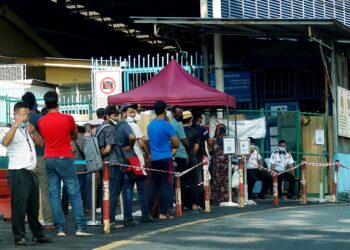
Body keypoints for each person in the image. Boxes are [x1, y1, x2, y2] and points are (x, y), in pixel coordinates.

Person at [38, 91, 92, 237]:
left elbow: (44, 137)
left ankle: (61, 228)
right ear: (58, 102)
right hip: (65, 158)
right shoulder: (68, 118)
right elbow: (74, 135)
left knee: (54, 194)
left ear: (45, 103)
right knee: (74, 193)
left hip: (49, 158)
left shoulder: (41, 121)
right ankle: (80, 227)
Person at [1, 102, 51, 246]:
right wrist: (15, 125)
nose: (26, 116)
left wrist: (33, 131)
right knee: (19, 207)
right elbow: (5, 142)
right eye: (23, 114)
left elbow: (41, 144)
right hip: (17, 172)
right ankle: (19, 237)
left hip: (30, 171)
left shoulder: (27, 128)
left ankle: (38, 234)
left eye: (27, 114)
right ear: (15, 115)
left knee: (33, 207)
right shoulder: (7, 129)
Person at [21, 92, 54, 230]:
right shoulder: (40, 118)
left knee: (26, 190)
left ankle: (26, 216)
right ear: (35, 103)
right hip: (40, 156)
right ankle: (48, 221)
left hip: (25, 158)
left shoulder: (21, 120)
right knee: (44, 190)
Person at [123, 103, 155, 223]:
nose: (135, 114)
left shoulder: (121, 126)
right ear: (125, 113)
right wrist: (148, 154)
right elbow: (141, 143)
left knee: (128, 190)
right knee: (141, 189)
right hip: (137, 161)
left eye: (135, 112)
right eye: (132, 112)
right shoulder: (133, 126)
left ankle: (127, 217)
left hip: (126, 161)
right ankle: (145, 215)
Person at [147, 100, 179, 219]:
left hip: (154, 158)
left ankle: (150, 212)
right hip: (166, 157)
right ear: (165, 110)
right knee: (166, 185)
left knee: (155, 185)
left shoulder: (150, 124)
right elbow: (176, 143)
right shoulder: (167, 125)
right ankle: (163, 212)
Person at [96, 105, 122, 225]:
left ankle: (104, 218)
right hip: (112, 163)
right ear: (107, 116)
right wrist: (104, 152)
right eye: (114, 115)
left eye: (117, 115)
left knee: (105, 192)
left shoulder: (99, 128)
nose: (116, 118)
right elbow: (108, 148)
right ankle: (110, 219)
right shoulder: (110, 129)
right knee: (112, 192)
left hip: (103, 164)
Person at [61, 126, 89, 214]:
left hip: (70, 165)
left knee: (66, 187)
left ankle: (64, 208)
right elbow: (86, 151)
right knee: (81, 188)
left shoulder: (67, 139)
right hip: (82, 165)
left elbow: (69, 151)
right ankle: (81, 208)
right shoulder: (82, 138)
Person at [182, 111, 202, 210]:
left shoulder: (178, 130)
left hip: (181, 158)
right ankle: (194, 204)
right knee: (194, 182)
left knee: (182, 182)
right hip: (192, 158)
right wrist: (192, 154)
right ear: (190, 119)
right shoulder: (194, 131)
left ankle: (182, 204)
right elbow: (196, 146)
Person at [169, 106, 188, 208]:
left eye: (181, 113)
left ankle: (176, 202)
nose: (181, 115)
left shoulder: (170, 124)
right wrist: (188, 148)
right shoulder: (178, 125)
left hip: (173, 155)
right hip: (180, 154)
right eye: (179, 113)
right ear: (173, 114)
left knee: (174, 181)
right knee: (182, 181)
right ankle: (181, 203)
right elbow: (184, 140)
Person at [210, 124, 233, 205]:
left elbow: (211, 150)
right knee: (225, 181)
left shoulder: (213, 140)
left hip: (217, 164)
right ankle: (226, 198)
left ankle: (217, 199)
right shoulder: (228, 139)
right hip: (226, 163)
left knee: (217, 181)